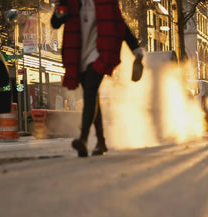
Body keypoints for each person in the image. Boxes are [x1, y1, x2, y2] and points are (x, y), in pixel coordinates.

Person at [51, 0, 144, 157]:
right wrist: (60, 12)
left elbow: (120, 25)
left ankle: (83, 139)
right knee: (92, 95)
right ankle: (101, 142)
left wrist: (136, 51)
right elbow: (55, 23)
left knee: (90, 92)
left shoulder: (107, 2)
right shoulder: (70, 2)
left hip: (101, 54)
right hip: (77, 55)